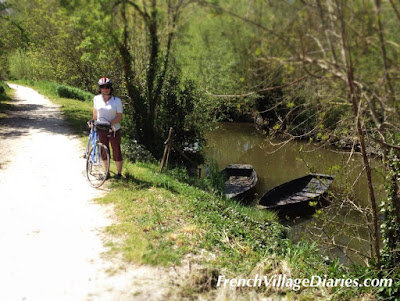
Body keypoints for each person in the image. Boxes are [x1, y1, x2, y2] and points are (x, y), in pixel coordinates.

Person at [93, 77, 123, 179]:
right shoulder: (96, 99)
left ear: (111, 88)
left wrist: (109, 123)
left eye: (107, 87)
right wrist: (93, 122)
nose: (105, 89)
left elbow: (119, 116)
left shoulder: (117, 101)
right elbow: (95, 113)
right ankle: (107, 172)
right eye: (102, 87)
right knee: (104, 150)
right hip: (101, 129)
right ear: (100, 88)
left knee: (116, 150)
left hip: (114, 129)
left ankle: (119, 173)